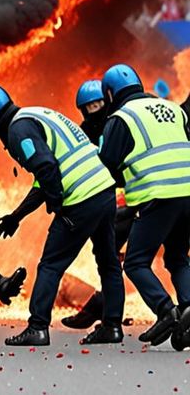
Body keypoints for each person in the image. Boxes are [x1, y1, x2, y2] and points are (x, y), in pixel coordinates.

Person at [0, 85, 123, 346]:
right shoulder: (34, 114)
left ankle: (37, 327)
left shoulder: (18, 129)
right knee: (108, 262)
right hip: (104, 190)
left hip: (81, 198)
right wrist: (16, 216)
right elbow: (44, 177)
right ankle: (112, 327)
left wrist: (58, 204)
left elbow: (46, 167)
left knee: (51, 264)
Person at [97, 64, 190, 349]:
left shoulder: (121, 118)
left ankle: (166, 311)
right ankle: (188, 309)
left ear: (110, 93)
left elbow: (107, 165)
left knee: (136, 261)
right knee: (177, 258)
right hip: (188, 190)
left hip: (158, 195)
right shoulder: (175, 109)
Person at [60, 80, 136, 329]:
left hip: (136, 194)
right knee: (115, 258)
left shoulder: (121, 122)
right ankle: (104, 310)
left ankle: (103, 312)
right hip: (111, 198)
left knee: (120, 258)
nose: (95, 110)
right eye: (89, 106)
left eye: (98, 104)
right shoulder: (82, 131)